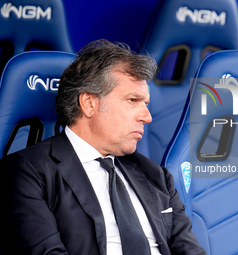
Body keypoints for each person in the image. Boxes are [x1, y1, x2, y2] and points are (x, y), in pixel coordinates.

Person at [0, 39, 206, 255]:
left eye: (146, 104)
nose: (147, 117)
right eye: (133, 100)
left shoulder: (157, 176)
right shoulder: (25, 172)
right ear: (89, 103)